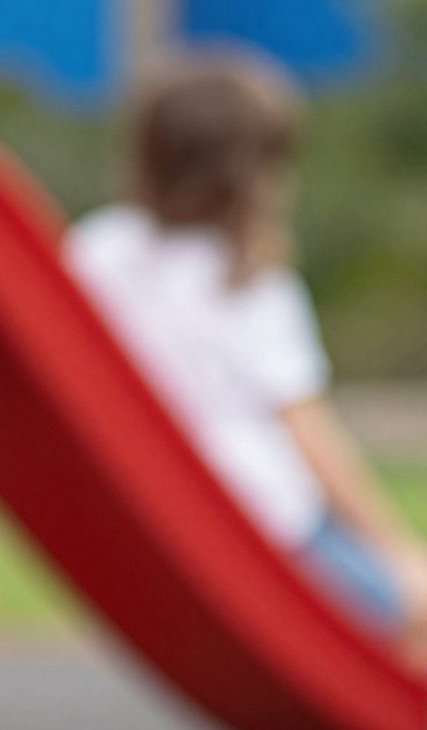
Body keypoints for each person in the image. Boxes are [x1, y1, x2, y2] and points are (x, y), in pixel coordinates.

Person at [66, 50, 427, 654]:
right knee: (412, 615)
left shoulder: (97, 250)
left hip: (158, 518)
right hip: (270, 529)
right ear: (260, 173)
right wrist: (397, 554)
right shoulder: (249, 284)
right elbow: (310, 436)